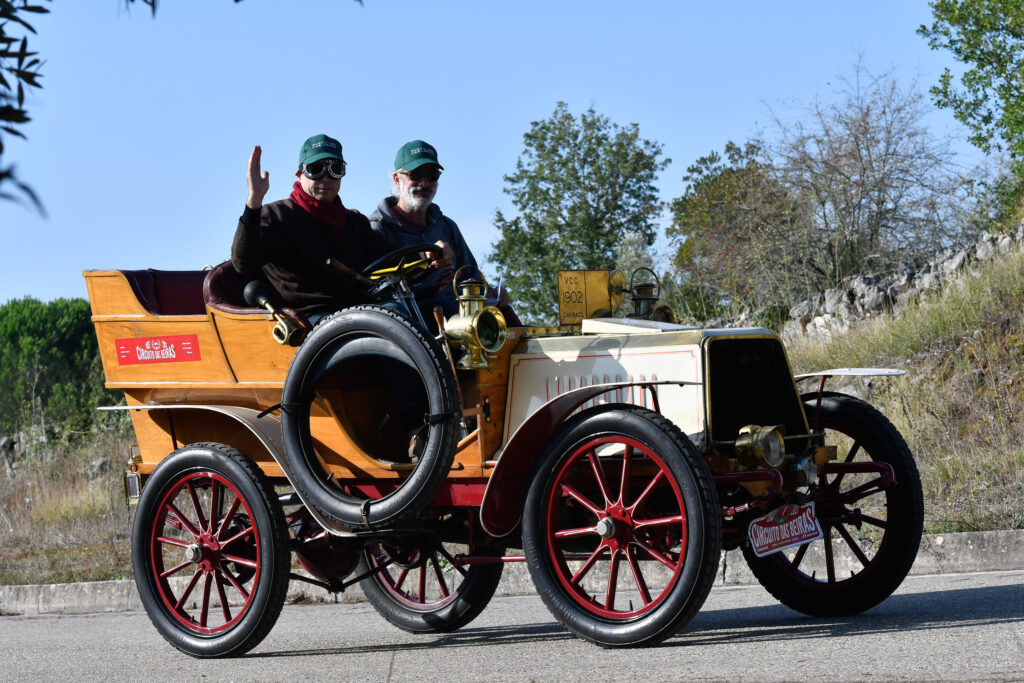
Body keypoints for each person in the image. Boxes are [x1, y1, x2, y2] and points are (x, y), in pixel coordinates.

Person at [231, 134, 394, 321]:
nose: (326, 178)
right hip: (308, 320)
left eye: (335, 169)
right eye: (316, 169)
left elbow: (391, 258)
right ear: (299, 175)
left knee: (403, 310)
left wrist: (429, 255)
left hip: (359, 312)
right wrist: (254, 200)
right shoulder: (275, 215)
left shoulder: (355, 222)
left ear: (343, 174)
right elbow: (243, 263)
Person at [368, 140, 520, 326]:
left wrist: (490, 294)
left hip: (460, 319)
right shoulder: (376, 229)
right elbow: (379, 293)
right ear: (397, 179)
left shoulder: (447, 227)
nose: (424, 183)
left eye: (432, 175)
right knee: (444, 308)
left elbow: (471, 276)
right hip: (414, 324)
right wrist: (429, 287)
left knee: (504, 315)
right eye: (415, 175)